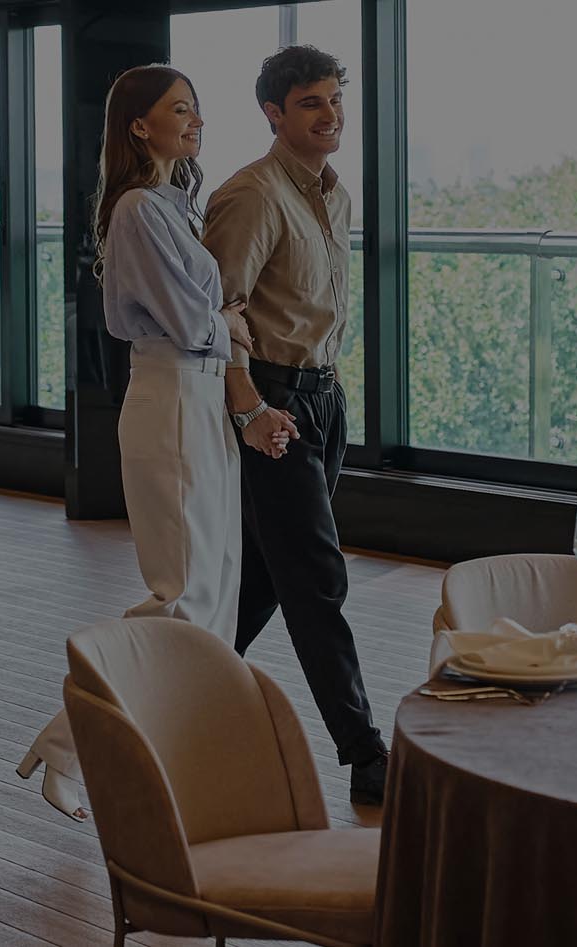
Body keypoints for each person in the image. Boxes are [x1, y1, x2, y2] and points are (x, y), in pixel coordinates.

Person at [16, 65, 279, 820]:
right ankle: (72, 746)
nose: (197, 121)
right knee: (186, 595)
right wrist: (225, 322)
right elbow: (189, 317)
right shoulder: (137, 210)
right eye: (181, 110)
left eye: (198, 109)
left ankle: (166, 750)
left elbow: (206, 310)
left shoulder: (176, 206)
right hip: (169, 396)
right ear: (140, 125)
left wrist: (225, 340)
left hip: (199, 398)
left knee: (216, 594)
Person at [202, 45, 389, 806]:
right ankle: (365, 752)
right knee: (314, 577)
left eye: (335, 100)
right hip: (272, 401)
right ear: (274, 113)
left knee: (263, 578)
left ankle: (164, 691)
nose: (331, 114)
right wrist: (251, 407)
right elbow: (218, 311)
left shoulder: (335, 196)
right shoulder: (251, 194)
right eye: (311, 102)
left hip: (325, 397)